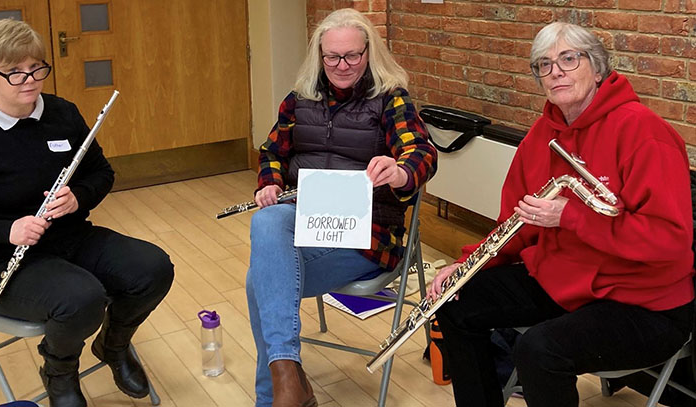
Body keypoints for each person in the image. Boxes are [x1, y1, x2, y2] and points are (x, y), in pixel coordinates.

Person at [429, 21, 694, 407]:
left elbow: (669, 242)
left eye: (569, 59)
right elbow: (515, 223)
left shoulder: (644, 132)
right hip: (567, 282)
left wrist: (570, 217)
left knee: (540, 351)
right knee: (454, 302)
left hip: (645, 303)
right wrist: (467, 265)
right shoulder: (542, 134)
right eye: (544, 64)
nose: (556, 72)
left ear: (598, 67)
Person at [0, 19, 174, 407]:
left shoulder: (62, 112)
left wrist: (78, 197)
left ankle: (113, 345)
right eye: (14, 72)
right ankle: (59, 371)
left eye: (36, 68)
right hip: (3, 259)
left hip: (71, 237)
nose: (29, 81)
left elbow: (101, 173)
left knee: (153, 268)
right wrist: (7, 231)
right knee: (81, 298)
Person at [246, 8, 437, 407]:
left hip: (369, 237)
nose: (342, 65)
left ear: (369, 52)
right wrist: (270, 182)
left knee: (258, 280)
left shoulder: (390, 99)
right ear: (319, 55)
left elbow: (422, 153)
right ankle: (287, 383)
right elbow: (272, 153)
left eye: (352, 55)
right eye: (332, 57)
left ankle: (278, 393)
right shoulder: (299, 100)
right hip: (306, 223)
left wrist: (399, 172)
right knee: (269, 218)